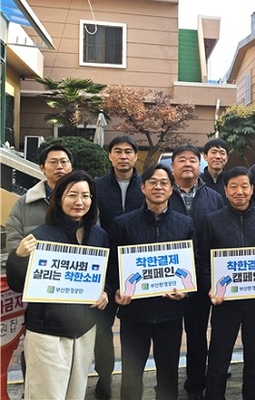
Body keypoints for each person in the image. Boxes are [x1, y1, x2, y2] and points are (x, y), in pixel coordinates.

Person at [6, 170, 109, 399]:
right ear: (59, 198)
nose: (79, 201)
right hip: (47, 334)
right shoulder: (40, 236)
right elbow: (17, 284)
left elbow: (106, 276)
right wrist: (19, 257)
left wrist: (106, 293)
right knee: (46, 394)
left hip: (84, 330)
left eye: (86, 195)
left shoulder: (99, 236)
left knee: (75, 394)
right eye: (72, 195)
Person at [199, 167, 255, 400]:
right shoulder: (212, 221)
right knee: (218, 359)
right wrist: (211, 287)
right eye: (234, 187)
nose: (240, 192)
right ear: (225, 190)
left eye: (244, 186)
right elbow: (203, 260)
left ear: (252, 189)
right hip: (225, 301)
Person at [112, 164, 195, 400]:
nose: (158, 187)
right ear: (143, 187)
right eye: (153, 182)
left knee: (168, 374)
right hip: (134, 313)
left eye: (164, 183)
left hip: (170, 313)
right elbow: (113, 266)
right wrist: (116, 289)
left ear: (171, 189)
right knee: (131, 374)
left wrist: (186, 291)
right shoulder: (123, 223)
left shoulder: (185, 224)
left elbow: (193, 263)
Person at [167, 145, 224, 400]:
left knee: (198, 334)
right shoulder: (163, 193)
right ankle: (166, 385)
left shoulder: (214, 197)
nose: (188, 164)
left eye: (193, 160)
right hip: (169, 277)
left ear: (199, 165)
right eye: (182, 160)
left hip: (202, 275)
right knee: (168, 336)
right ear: (173, 166)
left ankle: (196, 385)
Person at [94, 135, 144, 399]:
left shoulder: (146, 186)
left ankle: (132, 384)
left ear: (135, 156)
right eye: (117, 151)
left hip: (138, 268)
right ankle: (104, 379)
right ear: (110, 155)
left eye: (128, 151)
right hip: (105, 267)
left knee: (135, 331)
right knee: (102, 331)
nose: (123, 156)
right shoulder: (96, 186)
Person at [6, 144, 73, 254]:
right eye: (53, 162)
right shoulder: (24, 203)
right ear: (42, 168)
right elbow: (14, 238)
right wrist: (20, 256)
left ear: (71, 167)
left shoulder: (83, 202)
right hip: (36, 263)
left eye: (64, 162)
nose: (59, 166)